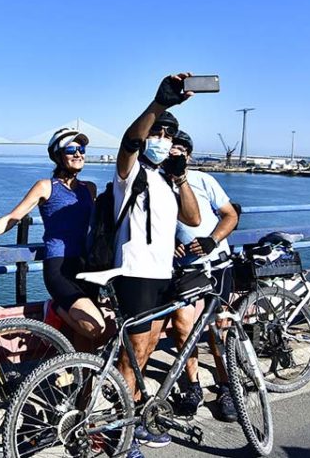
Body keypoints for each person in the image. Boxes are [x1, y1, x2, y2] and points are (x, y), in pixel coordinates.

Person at [0, 128, 109, 352]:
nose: (78, 154)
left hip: (87, 266)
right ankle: (55, 308)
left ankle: (80, 379)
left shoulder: (90, 188)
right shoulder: (46, 187)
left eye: (82, 149)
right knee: (94, 327)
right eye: (71, 149)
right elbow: (12, 218)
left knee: (87, 338)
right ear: (58, 155)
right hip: (59, 266)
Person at [113, 73, 201, 457]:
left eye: (169, 134)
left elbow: (195, 220)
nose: (162, 139)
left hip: (162, 274)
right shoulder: (130, 173)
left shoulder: (167, 179)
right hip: (134, 271)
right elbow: (129, 142)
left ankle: (130, 418)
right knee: (131, 355)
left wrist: (180, 178)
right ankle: (120, 431)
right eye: (158, 132)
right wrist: (158, 104)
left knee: (145, 350)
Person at [165, 130, 240, 422]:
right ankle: (193, 386)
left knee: (218, 328)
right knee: (183, 327)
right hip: (185, 270)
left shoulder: (204, 180)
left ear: (189, 155)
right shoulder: (157, 184)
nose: (176, 153)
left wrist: (212, 239)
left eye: (182, 149)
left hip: (218, 264)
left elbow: (230, 215)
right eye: (172, 148)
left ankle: (226, 386)